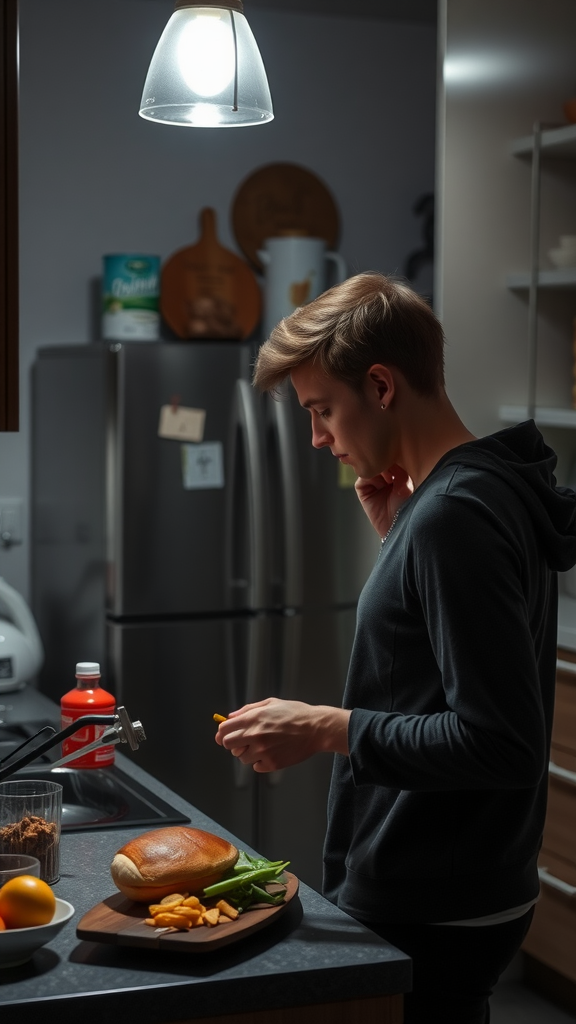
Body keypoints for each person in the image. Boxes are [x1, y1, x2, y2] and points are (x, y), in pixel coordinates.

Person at [214, 272, 576, 1023]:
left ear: (380, 386)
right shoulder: (479, 487)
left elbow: (500, 743)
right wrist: (399, 536)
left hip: (433, 891)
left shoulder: (454, 516)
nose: (318, 438)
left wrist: (323, 727)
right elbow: (438, 667)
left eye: (322, 410)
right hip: (466, 879)